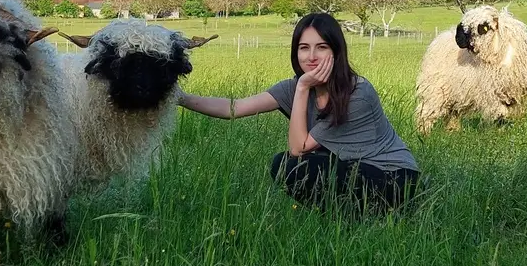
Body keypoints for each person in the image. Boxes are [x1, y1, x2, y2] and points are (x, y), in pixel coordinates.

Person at [177, 12, 421, 214]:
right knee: (286, 166)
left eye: (321, 47)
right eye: (304, 48)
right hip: (353, 169)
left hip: (395, 179)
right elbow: (234, 108)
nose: (312, 57)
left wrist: (303, 87)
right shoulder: (294, 86)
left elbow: (299, 149)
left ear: (337, 52)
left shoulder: (358, 93)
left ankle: (363, 219)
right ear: (296, 53)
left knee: (293, 166)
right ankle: (342, 220)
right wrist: (179, 98)